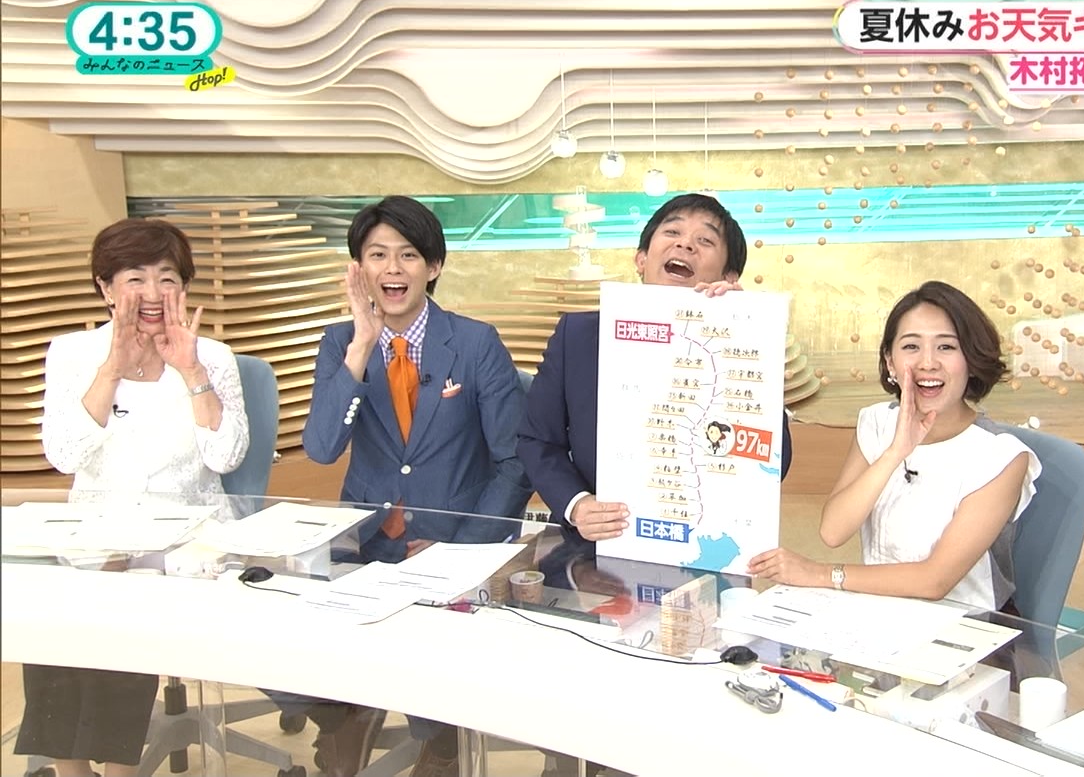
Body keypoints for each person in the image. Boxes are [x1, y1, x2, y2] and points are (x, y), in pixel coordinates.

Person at [299, 195, 533, 777]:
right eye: (377, 255)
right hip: (363, 544)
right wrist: (360, 346)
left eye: (408, 255)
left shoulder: (474, 343)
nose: (392, 269)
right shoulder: (339, 342)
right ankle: (350, 714)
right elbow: (322, 447)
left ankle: (438, 739)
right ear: (359, 269)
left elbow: (515, 462)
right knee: (288, 644)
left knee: (434, 664)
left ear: (433, 266)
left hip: (451, 540)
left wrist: (462, 550)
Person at [17, 218, 249, 777]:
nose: (152, 293)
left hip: (189, 541)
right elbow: (64, 456)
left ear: (184, 288)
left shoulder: (212, 356)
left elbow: (226, 457)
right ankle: (72, 770)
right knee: (59, 612)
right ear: (105, 288)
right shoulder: (72, 354)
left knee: (124, 605)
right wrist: (111, 372)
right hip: (97, 537)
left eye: (167, 278)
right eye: (135, 278)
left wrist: (191, 371)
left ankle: (121, 770)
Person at [747, 281, 1039, 612]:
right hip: (881, 612)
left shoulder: (1001, 457)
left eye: (946, 347)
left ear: (971, 359)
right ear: (890, 361)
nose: (928, 363)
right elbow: (833, 531)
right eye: (911, 346)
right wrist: (895, 452)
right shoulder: (876, 422)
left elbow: (934, 581)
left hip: (968, 623)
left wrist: (821, 574)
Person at [517, 193, 791, 544]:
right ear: (641, 259)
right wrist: (577, 504)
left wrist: (744, 341)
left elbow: (774, 463)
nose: (685, 244)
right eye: (672, 232)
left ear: (729, 274)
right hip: (596, 546)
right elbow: (537, 439)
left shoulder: (743, 345)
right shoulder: (578, 336)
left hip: (707, 545)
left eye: (705, 240)